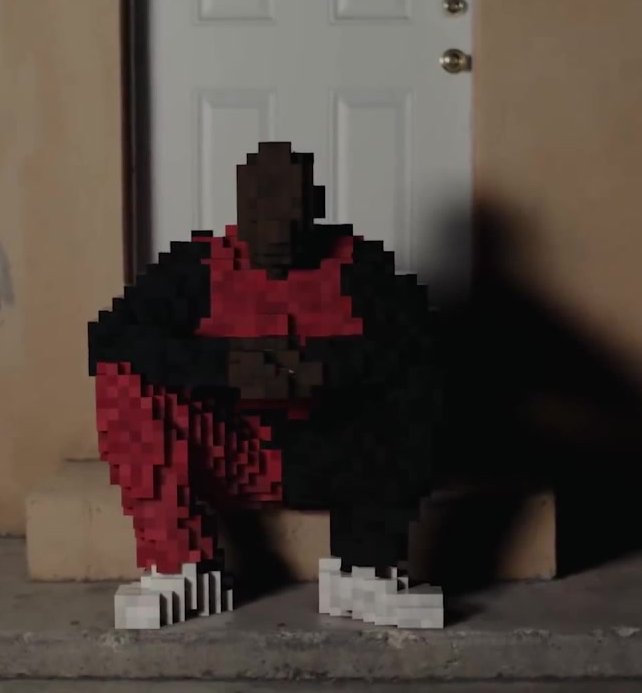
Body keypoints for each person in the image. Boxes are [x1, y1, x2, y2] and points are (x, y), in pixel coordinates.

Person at [88, 142, 443, 628]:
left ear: (316, 207)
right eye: (262, 208)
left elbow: (424, 347)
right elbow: (109, 339)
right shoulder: (196, 267)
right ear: (239, 209)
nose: (278, 227)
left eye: (293, 208)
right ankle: (182, 567)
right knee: (123, 377)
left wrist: (319, 368)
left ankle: (365, 569)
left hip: (332, 457)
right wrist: (228, 365)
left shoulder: (362, 267)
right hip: (229, 454)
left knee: (416, 383)